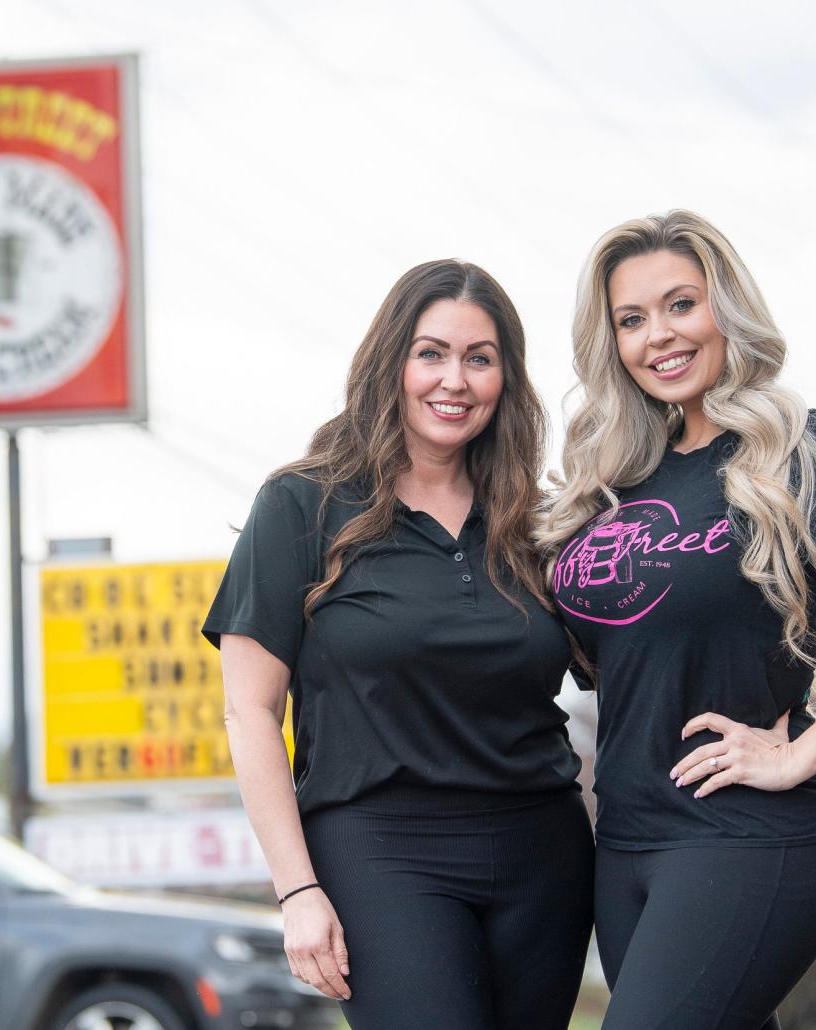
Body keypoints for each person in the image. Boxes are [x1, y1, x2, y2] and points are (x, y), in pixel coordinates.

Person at [540, 210, 816, 1029]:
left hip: (750, 833)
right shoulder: (612, 483)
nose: (657, 336)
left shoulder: (799, 451)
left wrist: (801, 752)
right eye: (630, 319)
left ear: (726, 311)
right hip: (627, 843)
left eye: (680, 304)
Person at [203, 259, 594, 1029]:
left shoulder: (540, 522)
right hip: (379, 846)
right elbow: (250, 712)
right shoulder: (303, 505)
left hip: (542, 855)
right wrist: (297, 890)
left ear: (505, 380)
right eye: (432, 353)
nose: (455, 380)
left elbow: (636, 663)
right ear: (393, 362)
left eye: (480, 359)